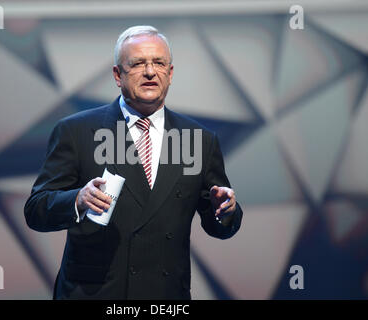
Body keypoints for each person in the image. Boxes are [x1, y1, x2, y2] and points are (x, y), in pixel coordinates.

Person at [24, 25, 243, 300]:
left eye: (159, 63)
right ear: (118, 75)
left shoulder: (199, 140)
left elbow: (219, 222)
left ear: (170, 73)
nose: (150, 72)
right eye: (138, 63)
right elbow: (36, 210)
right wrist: (77, 200)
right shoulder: (77, 131)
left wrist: (225, 211)